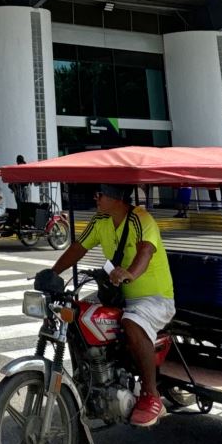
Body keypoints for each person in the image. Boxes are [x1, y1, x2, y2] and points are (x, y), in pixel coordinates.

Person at [39, 183, 176, 428]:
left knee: (131, 323)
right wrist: (52, 273)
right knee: (78, 314)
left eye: (100, 193)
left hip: (154, 299)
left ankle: (150, 395)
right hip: (117, 295)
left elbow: (145, 252)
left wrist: (130, 274)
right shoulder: (100, 219)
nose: (96, 197)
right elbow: (78, 248)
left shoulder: (141, 219)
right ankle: (91, 379)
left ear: (116, 196)